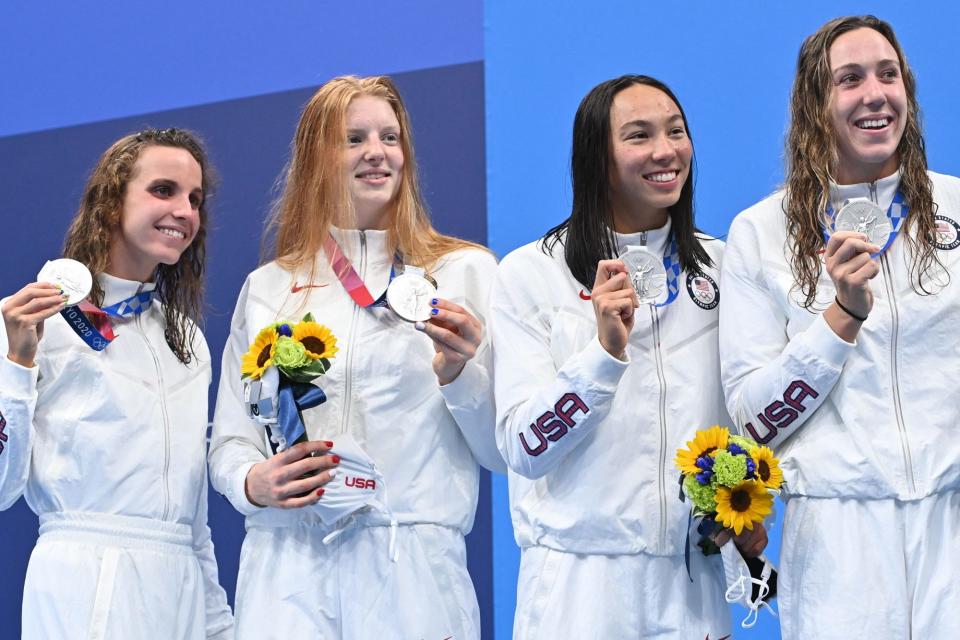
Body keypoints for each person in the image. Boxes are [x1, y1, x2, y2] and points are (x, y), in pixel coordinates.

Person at [208, 75, 504, 640]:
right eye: (354, 139)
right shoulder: (270, 286)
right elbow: (230, 439)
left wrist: (460, 377)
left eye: (390, 137)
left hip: (411, 566)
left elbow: (499, 450)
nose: (377, 152)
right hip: (285, 567)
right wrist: (251, 483)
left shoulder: (466, 273)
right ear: (316, 157)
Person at [490, 75, 766, 639]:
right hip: (579, 590)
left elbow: (749, 410)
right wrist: (602, 355)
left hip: (691, 588)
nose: (666, 151)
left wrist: (746, 508)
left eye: (676, 131)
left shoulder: (721, 267)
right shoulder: (530, 274)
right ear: (597, 159)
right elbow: (522, 446)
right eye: (639, 136)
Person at [721, 15, 960, 639]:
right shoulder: (762, 234)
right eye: (848, 80)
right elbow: (751, 415)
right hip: (840, 538)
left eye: (888, 75)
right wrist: (840, 320)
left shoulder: (957, 209)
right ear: (815, 106)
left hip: (953, 523)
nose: (874, 94)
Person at [0, 128, 233, 639]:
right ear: (109, 203)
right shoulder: (35, 323)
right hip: (84, 579)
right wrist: (17, 360)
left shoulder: (187, 340)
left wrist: (218, 624)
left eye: (195, 199)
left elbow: (192, 516)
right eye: (163, 190)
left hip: (182, 589)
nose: (185, 211)